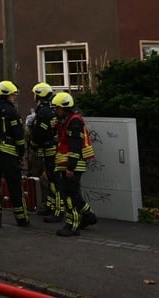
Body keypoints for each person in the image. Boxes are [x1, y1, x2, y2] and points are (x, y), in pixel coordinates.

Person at [51, 92, 97, 236]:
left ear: (64, 108)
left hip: (72, 165)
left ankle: (72, 226)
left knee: (69, 195)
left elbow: (75, 146)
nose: (56, 110)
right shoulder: (68, 120)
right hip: (68, 163)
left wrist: (70, 167)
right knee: (73, 193)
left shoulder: (74, 122)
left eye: (57, 108)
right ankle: (88, 216)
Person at [0, 80, 29, 228]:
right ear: (7, 95)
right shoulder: (12, 112)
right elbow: (19, 135)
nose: (14, 97)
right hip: (9, 154)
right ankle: (22, 219)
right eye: (13, 95)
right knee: (15, 186)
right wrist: (21, 153)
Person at [29, 82, 62, 222]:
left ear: (39, 95)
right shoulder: (52, 108)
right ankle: (50, 207)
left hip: (48, 150)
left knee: (53, 180)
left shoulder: (43, 111)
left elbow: (39, 132)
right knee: (49, 179)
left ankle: (58, 211)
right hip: (52, 148)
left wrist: (33, 144)